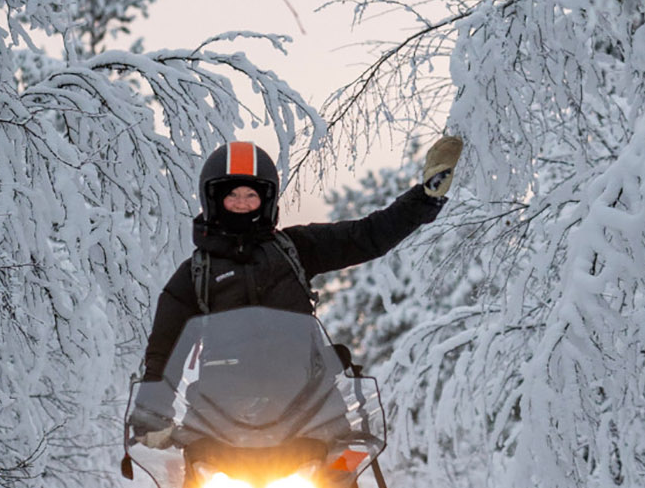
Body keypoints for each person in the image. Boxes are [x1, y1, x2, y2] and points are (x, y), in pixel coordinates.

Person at [138, 137, 461, 383]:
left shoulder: (296, 248)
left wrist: (424, 198)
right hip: (217, 413)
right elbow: (163, 351)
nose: (241, 203)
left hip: (307, 402)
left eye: (250, 195)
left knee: (344, 463)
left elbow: (366, 236)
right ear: (214, 199)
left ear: (265, 200)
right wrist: (151, 416)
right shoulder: (195, 273)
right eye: (232, 195)